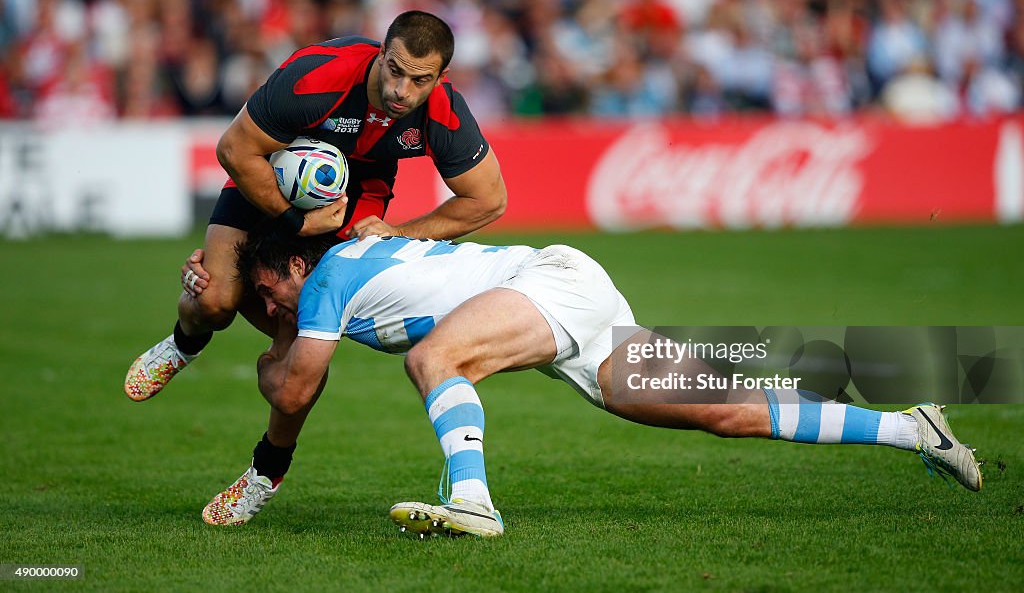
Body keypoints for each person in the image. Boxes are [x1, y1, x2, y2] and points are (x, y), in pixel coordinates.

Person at [199, 233, 983, 535]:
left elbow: (294, 387)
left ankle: (473, 501)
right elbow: (290, 374)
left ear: (298, 264)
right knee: (730, 412)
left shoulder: (329, 274)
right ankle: (916, 426)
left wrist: (226, 325)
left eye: (272, 290)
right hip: (569, 296)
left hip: (551, 283)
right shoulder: (325, 284)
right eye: (264, 303)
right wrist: (272, 332)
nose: (271, 306)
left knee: (435, 359)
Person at [125, 11, 507, 402]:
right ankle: (183, 344)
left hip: (358, 192)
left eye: (419, 80)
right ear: (381, 54)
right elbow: (234, 149)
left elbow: (488, 201)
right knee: (214, 300)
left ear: (441, 77)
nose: (401, 91)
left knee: (305, 339)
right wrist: (295, 221)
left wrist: (399, 232)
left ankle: (269, 463)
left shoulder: (443, 111)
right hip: (277, 172)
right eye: (394, 70)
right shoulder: (319, 75)